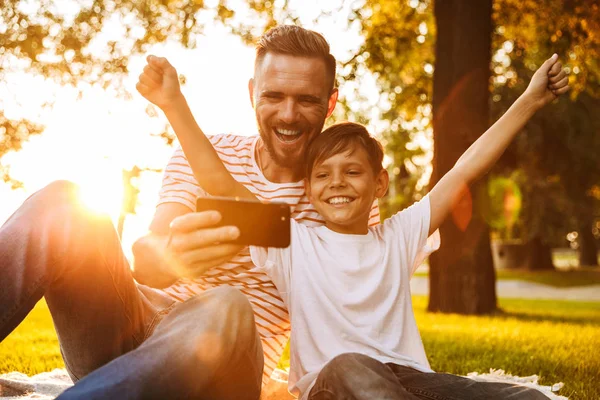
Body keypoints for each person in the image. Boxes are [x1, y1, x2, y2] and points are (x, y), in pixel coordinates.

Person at [136, 48, 568, 400]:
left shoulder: (399, 236)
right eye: (322, 175)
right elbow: (221, 183)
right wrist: (174, 104)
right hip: (332, 383)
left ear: (380, 183)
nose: (337, 184)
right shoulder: (291, 240)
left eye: (352, 172)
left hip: (408, 382)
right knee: (353, 367)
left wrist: (529, 99)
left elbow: (463, 171)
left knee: (527, 398)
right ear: (308, 189)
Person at [0, 25, 375, 399]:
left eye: (307, 100)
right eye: (273, 96)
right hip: (136, 328)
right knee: (65, 203)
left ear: (330, 103)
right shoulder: (202, 155)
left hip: (228, 365)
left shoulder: (343, 196)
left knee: (226, 303)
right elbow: (147, 253)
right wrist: (169, 256)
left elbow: (348, 315)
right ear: (251, 94)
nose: (288, 114)